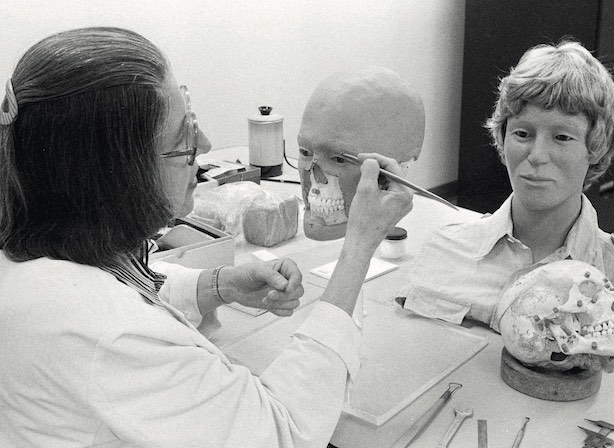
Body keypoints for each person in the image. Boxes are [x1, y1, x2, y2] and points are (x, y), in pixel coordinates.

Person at [0, 27, 413, 447]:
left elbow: (119, 282)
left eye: (193, 123)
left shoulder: (36, 240)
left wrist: (216, 285)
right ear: (113, 176)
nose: (206, 146)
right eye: (184, 141)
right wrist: (360, 246)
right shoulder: (106, 332)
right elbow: (281, 432)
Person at [398, 40, 614, 359]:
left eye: (562, 137)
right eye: (522, 134)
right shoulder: (446, 254)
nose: (537, 156)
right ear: (502, 138)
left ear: (595, 148)